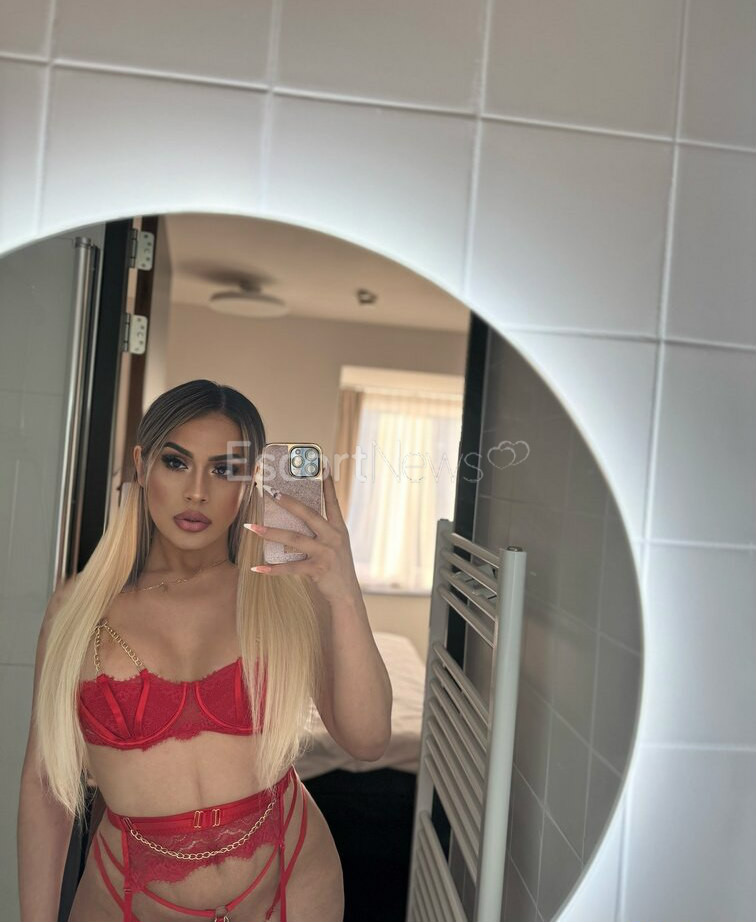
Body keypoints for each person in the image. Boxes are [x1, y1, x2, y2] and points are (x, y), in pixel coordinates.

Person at [18, 379, 393, 922]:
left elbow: (369, 739)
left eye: (224, 470)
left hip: (292, 883)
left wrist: (344, 591)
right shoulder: (77, 611)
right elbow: (45, 784)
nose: (197, 492)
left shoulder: (283, 592)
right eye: (176, 463)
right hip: (128, 899)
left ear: (250, 481)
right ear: (142, 466)